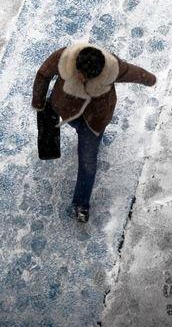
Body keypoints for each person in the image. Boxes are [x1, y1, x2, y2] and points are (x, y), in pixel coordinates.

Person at [31, 41, 156, 223]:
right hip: (64, 108)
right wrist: (39, 102)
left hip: (94, 120)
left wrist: (150, 79)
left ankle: (81, 204)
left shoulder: (113, 68)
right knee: (48, 124)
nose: (82, 79)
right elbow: (43, 74)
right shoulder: (63, 57)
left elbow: (132, 72)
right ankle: (51, 149)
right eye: (80, 75)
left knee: (88, 162)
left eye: (88, 77)